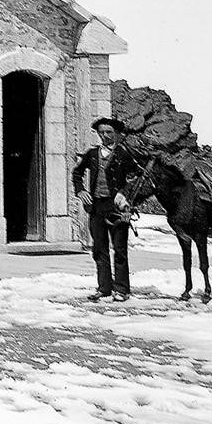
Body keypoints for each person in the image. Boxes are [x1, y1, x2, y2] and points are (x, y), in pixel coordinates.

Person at [72, 116, 141, 303]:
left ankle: (122, 289)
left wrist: (124, 193)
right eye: (101, 132)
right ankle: (104, 288)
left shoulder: (123, 154)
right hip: (96, 207)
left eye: (109, 132)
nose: (105, 136)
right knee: (99, 249)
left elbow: (136, 176)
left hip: (117, 208)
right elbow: (76, 173)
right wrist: (80, 190)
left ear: (116, 134)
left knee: (119, 249)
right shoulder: (92, 154)